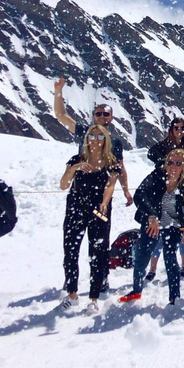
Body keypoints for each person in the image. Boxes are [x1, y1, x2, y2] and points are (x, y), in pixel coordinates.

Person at [120, 149, 184, 305]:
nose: (173, 167)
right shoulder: (157, 176)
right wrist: (151, 216)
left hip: (174, 225)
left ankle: (174, 298)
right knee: (142, 258)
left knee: (170, 258)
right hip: (152, 222)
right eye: (170, 162)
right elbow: (140, 194)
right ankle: (136, 291)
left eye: (178, 163)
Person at [57, 125, 122, 314]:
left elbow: (110, 185)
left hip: (99, 209)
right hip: (76, 206)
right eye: (91, 135)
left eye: (100, 136)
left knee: (98, 253)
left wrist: (104, 202)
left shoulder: (112, 162)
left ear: (105, 139)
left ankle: (93, 298)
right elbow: (63, 184)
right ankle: (72, 294)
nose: (95, 139)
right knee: (70, 251)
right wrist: (74, 168)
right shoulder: (77, 159)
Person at [53, 78, 133, 206]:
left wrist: (126, 190)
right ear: (93, 116)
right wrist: (58, 91)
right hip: (80, 188)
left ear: (111, 118)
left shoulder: (116, 141)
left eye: (106, 114)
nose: (102, 116)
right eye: (98, 113)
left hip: (103, 193)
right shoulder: (85, 132)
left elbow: (121, 168)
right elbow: (61, 116)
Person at [146, 117, 184, 277]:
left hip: (182, 195)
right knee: (160, 231)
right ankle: (153, 268)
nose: (179, 131)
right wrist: (166, 165)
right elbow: (151, 153)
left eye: (182, 128)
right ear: (171, 129)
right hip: (163, 194)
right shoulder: (164, 145)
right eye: (176, 128)